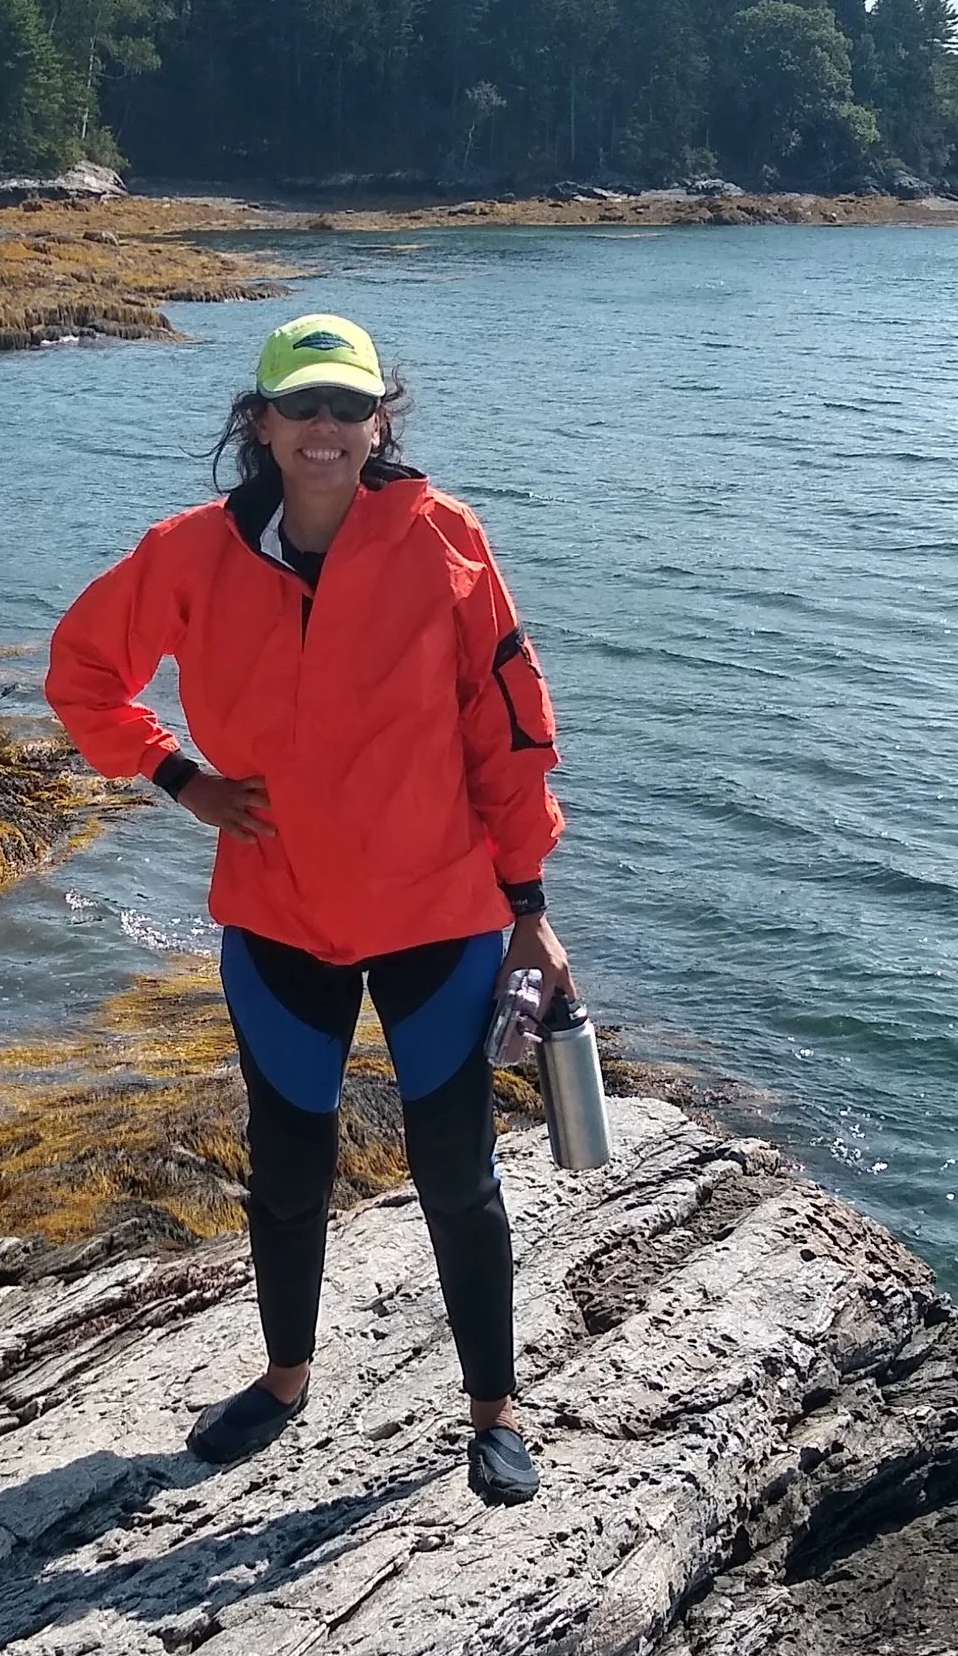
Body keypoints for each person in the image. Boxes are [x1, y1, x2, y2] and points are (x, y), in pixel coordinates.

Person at [45, 310, 573, 1502]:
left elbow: (510, 730)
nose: (326, 430)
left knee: (457, 1173)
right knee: (286, 1168)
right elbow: (83, 673)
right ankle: (285, 1378)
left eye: (349, 406)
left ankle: (492, 1410)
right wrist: (176, 774)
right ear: (263, 421)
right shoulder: (189, 552)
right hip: (279, 916)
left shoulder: (446, 541)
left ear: (380, 418)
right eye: (304, 407)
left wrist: (530, 903)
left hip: (440, 915)